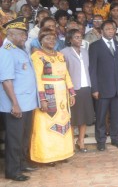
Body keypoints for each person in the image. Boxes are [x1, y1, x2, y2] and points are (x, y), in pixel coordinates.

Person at [0, 17, 38, 181]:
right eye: (22, 34)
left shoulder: (20, 49)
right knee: (14, 139)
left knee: (24, 137)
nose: (25, 37)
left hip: (27, 102)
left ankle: (22, 163)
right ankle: (12, 170)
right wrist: (15, 104)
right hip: (15, 105)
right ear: (11, 34)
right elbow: (6, 80)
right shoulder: (6, 51)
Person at [30, 27, 76, 164]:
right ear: (41, 41)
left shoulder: (60, 55)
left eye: (53, 38)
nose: (51, 41)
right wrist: (42, 99)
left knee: (63, 122)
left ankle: (63, 153)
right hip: (48, 93)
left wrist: (72, 92)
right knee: (48, 124)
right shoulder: (37, 56)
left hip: (62, 94)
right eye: (47, 38)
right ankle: (49, 156)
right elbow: (37, 79)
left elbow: (66, 75)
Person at [89, 20, 118, 151]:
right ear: (102, 31)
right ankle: (101, 141)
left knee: (116, 117)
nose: (111, 31)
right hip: (102, 89)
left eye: (113, 29)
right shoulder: (94, 46)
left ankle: (116, 139)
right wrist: (94, 88)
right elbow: (92, 69)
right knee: (100, 117)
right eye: (108, 29)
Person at [61, 29, 94, 152]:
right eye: (76, 37)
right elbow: (63, 72)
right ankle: (70, 142)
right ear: (70, 40)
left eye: (80, 37)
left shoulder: (85, 52)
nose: (79, 39)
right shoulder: (64, 52)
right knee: (73, 118)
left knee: (84, 117)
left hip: (86, 87)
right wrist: (68, 90)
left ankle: (81, 141)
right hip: (73, 89)